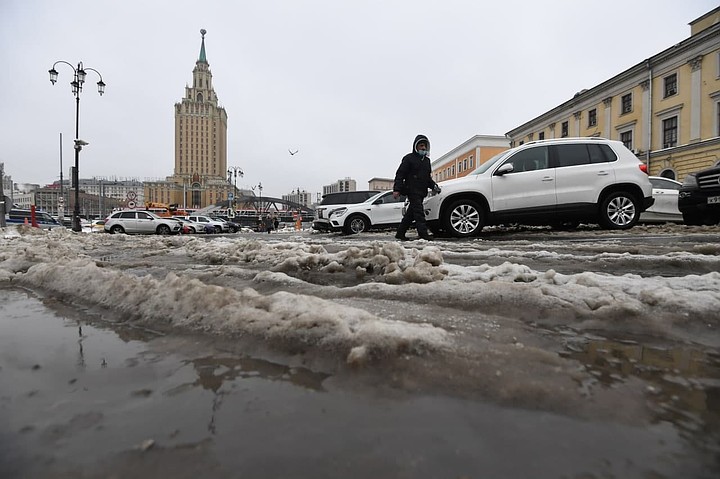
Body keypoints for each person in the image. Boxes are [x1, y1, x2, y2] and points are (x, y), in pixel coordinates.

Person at [393, 134, 441, 241]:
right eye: (421, 146)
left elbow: (427, 178)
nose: (423, 148)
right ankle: (423, 235)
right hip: (412, 190)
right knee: (419, 213)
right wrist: (397, 189)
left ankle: (400, 233)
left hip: (422, 191)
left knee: (410, 214)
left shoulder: (427, 161)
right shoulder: (408, 158)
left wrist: (434, 186)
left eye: (425, 146)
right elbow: (400, 174)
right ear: (416, 146)